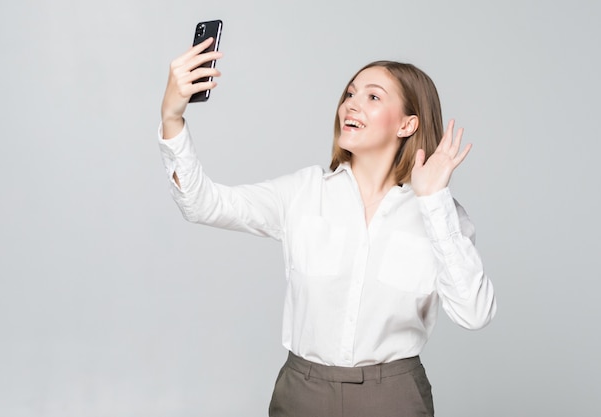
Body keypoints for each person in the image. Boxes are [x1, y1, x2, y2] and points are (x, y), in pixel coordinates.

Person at [158, 37, 497, 417]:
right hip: (303, 393)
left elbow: (475, 314)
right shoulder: (303, 192)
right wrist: (172, 119)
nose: (351, 103)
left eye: (372, 97)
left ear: (407, 123)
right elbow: (203, 203)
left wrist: (433, 201)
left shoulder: (440, 214)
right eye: (350, 93)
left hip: (395, 397)